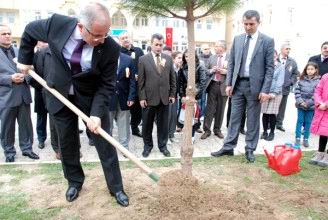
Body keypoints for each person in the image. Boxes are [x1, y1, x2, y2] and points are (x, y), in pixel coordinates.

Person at [17, 3, 129, 206]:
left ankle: (116, 187)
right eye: (96, 35)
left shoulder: (110, 47)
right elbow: (29, 32)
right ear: (80, 26)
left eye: (104, 34)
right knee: (67, 142)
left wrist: (96, 115)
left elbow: (106, 85)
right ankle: (74, 182)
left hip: (91, 97)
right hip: (58, 93)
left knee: (105, 144)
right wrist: (25, 60)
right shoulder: (56, 24)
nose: (100, 40)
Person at [211, 10, 274, 163]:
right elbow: (232, 62)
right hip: (238, 85)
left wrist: (265, 90)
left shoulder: (267, 41)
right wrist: (229, 83)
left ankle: (250, 149)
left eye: (251, 24)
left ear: (259, 23)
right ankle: (228, 147)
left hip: (256, 87)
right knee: (234, 118)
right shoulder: (238, 39)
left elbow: (270, 67)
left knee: (252, 120)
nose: (248, 27)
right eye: (245, 24)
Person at [0, 24, 39, 163]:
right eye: (4, 34)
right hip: (6, 97)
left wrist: (26, 77)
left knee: (26, 125)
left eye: (9, 33)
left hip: (23, 94)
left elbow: (30, 70)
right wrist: (9, 78)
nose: (7, 36)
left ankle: (27, 149)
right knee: (7, 126)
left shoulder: (19, 51)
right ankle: (9, 151)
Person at [138, 33, 176, 158]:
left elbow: (172, 78)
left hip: (164, 98)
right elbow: (141, 81)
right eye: (156, 44)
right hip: (149, 98)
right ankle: (147, 146)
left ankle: (163, 146)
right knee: (147, 126)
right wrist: (142, 97)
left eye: (161, 44)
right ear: (151, 44)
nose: (159, 47)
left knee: (163, 125)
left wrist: (172, 94)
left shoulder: (168, 58)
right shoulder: (143, 59)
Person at [31, 44, 61, 160]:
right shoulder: (42, 52)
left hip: (67, 93)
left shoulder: (66, 49)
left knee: (69, 122)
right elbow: (36, 74)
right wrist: (44, 89)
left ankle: (74, 148)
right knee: (53, 122)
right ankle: (57, 149)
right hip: (49, 94)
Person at [109, 52, 136, 150]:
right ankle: (108, 147)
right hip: (108, 98)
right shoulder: (104, 57)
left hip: (124, 97)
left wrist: (131, 97)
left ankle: (124, 147)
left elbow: (132, 80)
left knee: (124, 123)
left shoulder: (128, 59)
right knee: (108, 124)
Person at [119, 32, 144, 137]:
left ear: (131, 39)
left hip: (137, 85)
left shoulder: (138, 51)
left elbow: (144, 64)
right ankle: (122, 129)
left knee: (137, 111)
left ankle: (134, 127)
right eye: (123, 38)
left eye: (127, 37)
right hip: (124, 86)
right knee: (122, 110)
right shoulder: (119, 52)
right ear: (120, 41)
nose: (125, 39)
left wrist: (141, 75)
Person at [201, 40, 228, 140]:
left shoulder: (230, 57)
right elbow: (205, 70)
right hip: (213, 85)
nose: (215, 48)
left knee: (221, 109)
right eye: (215, 46)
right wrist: (212, 70)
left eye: (217, 46)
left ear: (223, 47)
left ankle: (217, 130)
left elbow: (234, 72)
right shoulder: (212, 57)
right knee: (209, 109)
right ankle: (207, 130)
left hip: (224, 86)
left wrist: (226, 71)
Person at [178, 50, 206, 142]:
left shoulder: (200, 66)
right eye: (185, 56)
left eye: (189, 56)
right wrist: (182, 95)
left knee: (194, 116)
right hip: (185, 95)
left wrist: (193, 94)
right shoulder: (183, 67)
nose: (187, 58)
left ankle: (192, 137)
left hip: (195, 95)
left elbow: (202, 82)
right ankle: (186, 134)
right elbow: (181, 83)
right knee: (185, 116)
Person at [294, 62, 320, 147]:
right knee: (300, 121)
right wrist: (301, 102)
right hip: (301, 105)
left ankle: (306, 139)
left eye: (312, 69)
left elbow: (317, 94)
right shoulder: (301, 80)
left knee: (308, 122)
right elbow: (297, 92)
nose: (310, 71)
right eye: (308, 69)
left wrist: (308, 103)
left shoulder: (318, 81)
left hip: (311, 106)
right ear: (306, 70)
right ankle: (297, 138)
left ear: (315, 70)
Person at [260, 50, 285, 141]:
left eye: (273, 55)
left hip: (276, 93)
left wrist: (274, 93)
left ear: (276, 56)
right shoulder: (264, 66)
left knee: (272, 113)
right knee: (265, 113)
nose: (272, 57)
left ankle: (272, 132)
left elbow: (280, 81)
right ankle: (265, 132)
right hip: (265, 92)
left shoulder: (280, 66)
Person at [276, 43, 299, 132]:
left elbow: (295, 74)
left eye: (289, 49)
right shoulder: (274, 58)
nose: (288, 50)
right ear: (281, 49)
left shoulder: (292, 62)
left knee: (282, 107)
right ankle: (270, 124)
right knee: (271, 106)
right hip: (273, 88)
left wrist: (290, 82)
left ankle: (279, 124)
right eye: (287, 48)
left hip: (285, 88)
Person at [310, 73, 328, 167]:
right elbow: (318, 90)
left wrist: (326, 104)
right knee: (323, 132)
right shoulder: (325, 76)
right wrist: (319, 102)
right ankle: (320, 153)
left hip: (326, 107)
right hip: (321, 109)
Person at [168, 51, 182, 143]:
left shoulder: (179, 69)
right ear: (173, 59)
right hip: (169, 96)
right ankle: (165, 136)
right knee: (168, 117)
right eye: (179, 58)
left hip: (176, 96)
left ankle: (171, 134)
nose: (181, 60)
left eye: (181, 58)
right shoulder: (169, 69)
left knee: (173, 116)